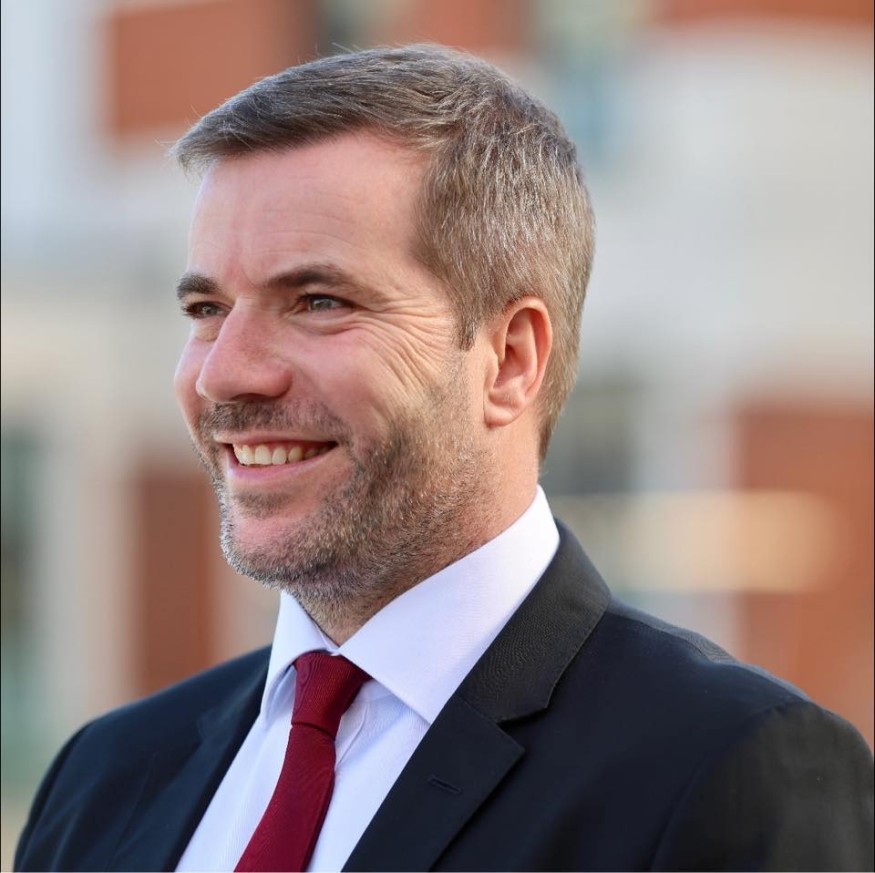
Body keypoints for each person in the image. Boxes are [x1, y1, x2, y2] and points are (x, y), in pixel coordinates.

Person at [14, 44, 873, 872]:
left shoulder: (726, 770)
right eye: (206, 308)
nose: (224, 373)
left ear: (509, 359)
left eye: (317, 300)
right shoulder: (103, 778)